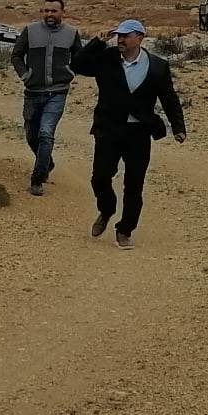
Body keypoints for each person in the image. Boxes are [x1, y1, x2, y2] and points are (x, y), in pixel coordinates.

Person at [72, 19, 185, 249]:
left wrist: (178, 127)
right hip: (109, 128)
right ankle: (107, 209)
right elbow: (78, 65)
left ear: (140, 38)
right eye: (118, 36)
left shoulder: (157, 66)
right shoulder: (107, 58)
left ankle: (125, 229)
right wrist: (96, 42)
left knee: (134, 184)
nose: (120, 39)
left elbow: (168, 98)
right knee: (100, 177)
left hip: (139, 132)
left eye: (126, 35)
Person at [9, 0, 83, 196]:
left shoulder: (71, 33)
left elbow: (80, 58)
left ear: (62, 12)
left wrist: (69, 71)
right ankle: (47, 162)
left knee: (45, 132)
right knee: (31, 134)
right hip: (32, 91)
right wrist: (25, 75)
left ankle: (37, 179)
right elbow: (16, 55)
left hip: (58, 91)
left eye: (54, 11)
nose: (50, 14)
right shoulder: (30, 31)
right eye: (46, 11)